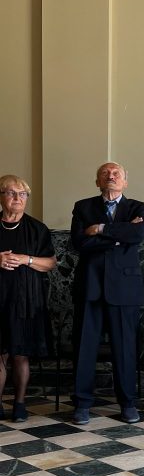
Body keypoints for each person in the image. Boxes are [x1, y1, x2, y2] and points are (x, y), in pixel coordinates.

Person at [70, 162, 144, 425]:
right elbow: (79, 242)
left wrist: (100, 229)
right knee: (84, 348)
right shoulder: (83, 207)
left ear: (125, 182)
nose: (111, 176)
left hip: (125, 289)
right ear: (97, 182)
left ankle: (127, 404)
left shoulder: (137, 207)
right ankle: (82, 404)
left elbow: (138, 234)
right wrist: (120, 235)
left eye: (116, 174)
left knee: (125, 349)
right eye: (105, 173)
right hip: (90, 286)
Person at [0, 176, 56, 422]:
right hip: (0, 299)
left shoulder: (37, 229)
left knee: (20, 354)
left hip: (25, 301)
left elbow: (50, 263)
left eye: (22, 194)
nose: (17, 198)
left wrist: (27, 259)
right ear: (1, 196)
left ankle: (20, 403)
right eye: (11, 193)